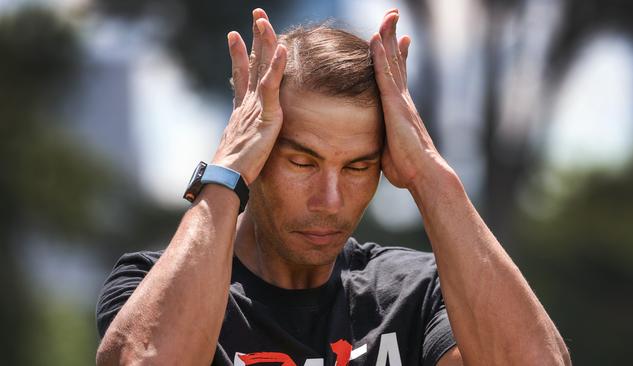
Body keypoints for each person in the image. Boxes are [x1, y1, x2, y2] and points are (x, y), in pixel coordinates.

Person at [95, 8, 571, 366]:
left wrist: (428, 171)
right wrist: (226, 172)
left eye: (358, 168)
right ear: (254, 153)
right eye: (303, 162)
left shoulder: (415, 294)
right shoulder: (152, 287)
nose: (330, 201)